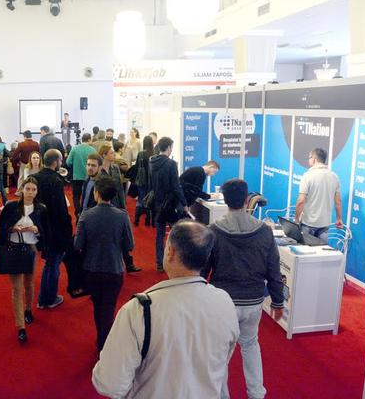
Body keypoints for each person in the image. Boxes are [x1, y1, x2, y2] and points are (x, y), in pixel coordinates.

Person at [92, 220, 239, 399]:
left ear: (170, 252)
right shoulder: (224, 302)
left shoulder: (140, 310)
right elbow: (223, 360)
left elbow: (110, 384)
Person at [201, 178, 284, 399]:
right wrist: (278, 302)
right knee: (250, 344)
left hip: (223, 302)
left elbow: (203, 270)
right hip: (253, 300)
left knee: (220, 352)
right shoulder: (264, 231)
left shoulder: (213, 231)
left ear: (225, 199)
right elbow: (273, 269)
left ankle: (222, 395)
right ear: (247, 200)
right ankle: (256, 393)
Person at [75, 177, 134, 352]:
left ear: (96, 193)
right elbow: (129, 245)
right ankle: (104, 342)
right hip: (114, 268)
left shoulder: (86, 215)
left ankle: (102, 340)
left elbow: (77, 245)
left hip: (91, 268)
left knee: (98, 306)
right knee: (108, 307)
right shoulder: (122, 216)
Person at [0, 176, 50, 342]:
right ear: (22, 190)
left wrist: (36, 230)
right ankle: (21, 327)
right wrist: (12, 228)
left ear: (37, 192)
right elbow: (0, 228)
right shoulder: (11, 206)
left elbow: (46, 232)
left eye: (33, 190)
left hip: (31, 249)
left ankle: (28, 309)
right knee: (17, 288)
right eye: (28, 189)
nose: (30, 192)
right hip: (13, 248)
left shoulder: (41, 209)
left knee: (29, 282)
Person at [33, 149, 72, 309]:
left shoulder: (35, 178)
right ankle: (47, 299)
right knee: (53, 264)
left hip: (39, 227)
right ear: (55, 162)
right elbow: (61, 210)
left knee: (50, 263)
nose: (61, 163)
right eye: (60, 160)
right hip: (55, 229)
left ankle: (44, 298)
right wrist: (67, 229)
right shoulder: (56, 181)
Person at [150, 137, 187, 271]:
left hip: (157, 202)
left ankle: (159, 262)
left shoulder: (152, 161)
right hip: (170, 203)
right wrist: (184, 203)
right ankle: (178, 260)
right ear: (169, 147)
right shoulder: (171, 164)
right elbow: (176, 186)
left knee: (159, 234)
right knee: (176, 233)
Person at [295, 147, 343, 240]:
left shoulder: (307, 176)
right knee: (321, 249)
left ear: (314, 159)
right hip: (324, 224)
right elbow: (338, 201)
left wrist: (296, 220)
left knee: (304, 248)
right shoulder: (334, 177)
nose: (309, 160)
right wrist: (339, 218)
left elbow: (301, 201)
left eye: (309, 158)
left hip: (308, 223)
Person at [66, 132, 97, 217]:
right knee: (87, 196)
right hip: (89, 177)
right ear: (89, 140)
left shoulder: (75, 148)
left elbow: (68, 162)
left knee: (76, 196)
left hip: (77, 177)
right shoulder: (93, 150)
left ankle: (77, 212)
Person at [132, 136, 154, 226]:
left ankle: (136, 220)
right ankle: (148, 220)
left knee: (140, 199)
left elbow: (137, 166)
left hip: (141, 180)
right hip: (151, 181)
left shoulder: (141, 154)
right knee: (149, 199)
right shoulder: (154, 153)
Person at [98, 144, 125, 209]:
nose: (114, 154)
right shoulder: (98, 170)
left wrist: (123, 206)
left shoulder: (116, 168)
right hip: (102, 205)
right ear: (104, 155)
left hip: (116, 204)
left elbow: (120, 188)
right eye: (111, 153)